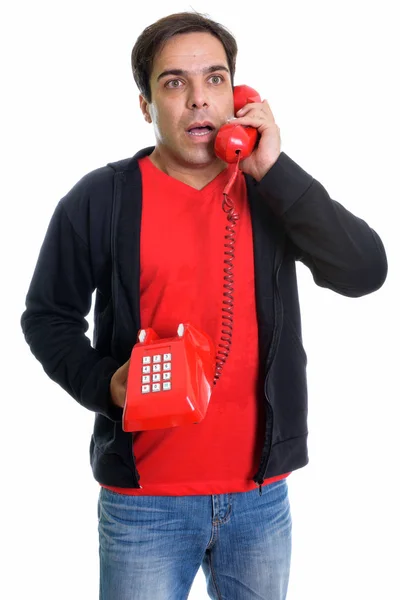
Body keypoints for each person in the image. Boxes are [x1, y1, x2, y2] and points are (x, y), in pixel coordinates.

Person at [21, 10, 388, 600]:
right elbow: (46, 318)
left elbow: (365, 271)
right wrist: (105, 386)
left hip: (260, 500)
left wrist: (273, 168)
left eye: (215, 79)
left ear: (239, 95)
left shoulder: (270, 191)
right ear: (145, 105)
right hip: (144, 506)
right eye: (174, 83)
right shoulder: (100, 199)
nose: (198, 99)